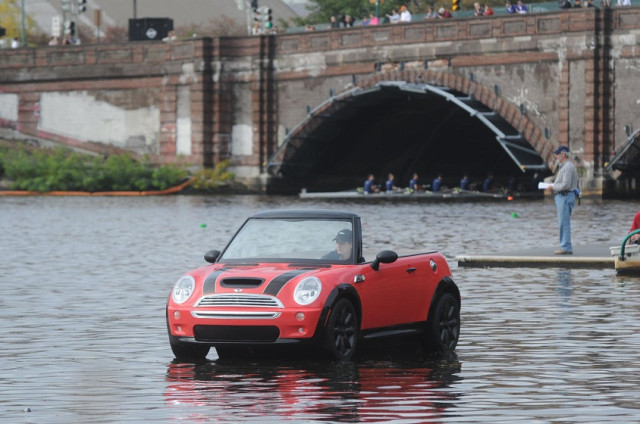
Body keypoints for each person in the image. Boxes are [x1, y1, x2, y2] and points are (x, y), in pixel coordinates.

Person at [546, 145, 579, 255]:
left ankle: (566, 248)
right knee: (562, 222)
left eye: (557, 154)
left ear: (563, 154)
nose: (555, 156)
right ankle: (565, 246)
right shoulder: (565, 166)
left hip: (565, 197)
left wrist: (553, 187)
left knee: (563, 223)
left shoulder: (568, 167)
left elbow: (566, 184)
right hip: (563, 197)